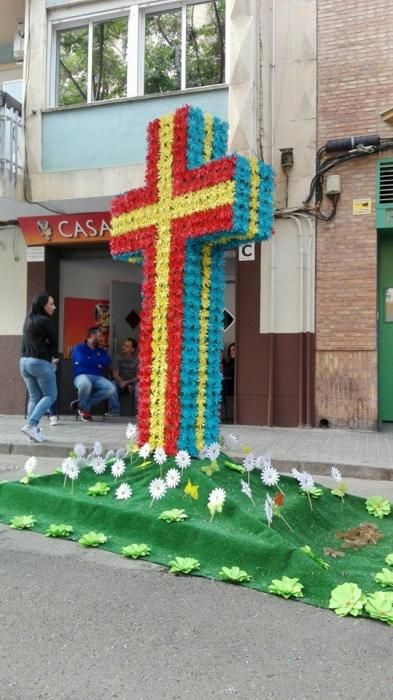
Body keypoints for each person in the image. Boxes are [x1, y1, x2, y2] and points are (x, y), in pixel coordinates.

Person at [20, 292, 58, 443]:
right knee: (50, 395)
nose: (54, 307)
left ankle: (33, 433)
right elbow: (54, 342)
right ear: (43, 305)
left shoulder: (28, 320)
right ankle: (31, 425)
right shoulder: (45, 321)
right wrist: (53, 357)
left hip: (24, 362)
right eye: (51, 304)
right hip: (39, 362)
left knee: (35, 397)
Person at [71, 326, 116, 422]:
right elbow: (81, 360)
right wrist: (97, 363)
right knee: (85, 384)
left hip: (97, 377)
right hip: (81, 376)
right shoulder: (79, 348)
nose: (101, 338)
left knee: (111, 388)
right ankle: (85, 410)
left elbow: (107, 361)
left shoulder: (101, 351)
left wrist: (89, 360)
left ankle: (82, 404)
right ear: (91, 336)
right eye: (99, 336)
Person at [106, 338, 139, 417]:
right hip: (119, 382)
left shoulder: (137, 359)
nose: (123, 347)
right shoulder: (117, 357)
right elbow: (115, 375)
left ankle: (139, 413)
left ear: (133, 349)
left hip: (132, 383)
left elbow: (139, 376)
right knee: (111, 385)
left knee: (140, 387)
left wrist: (127, 383)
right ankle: (114, 411)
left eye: (127, 346)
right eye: (123, 345)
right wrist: (125, 384)